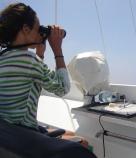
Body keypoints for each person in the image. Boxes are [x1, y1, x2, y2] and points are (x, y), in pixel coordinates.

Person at [0, 2, 96, 158]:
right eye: (39, 29)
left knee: (70, 133)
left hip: (8, 132)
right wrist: (57, 49)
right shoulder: (29, 60)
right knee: (82, 143)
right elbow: (62, 88)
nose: (41, 33)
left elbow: (28, 77)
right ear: (25, 29)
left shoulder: (3, 57)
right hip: (23, 134)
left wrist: (40, 55)